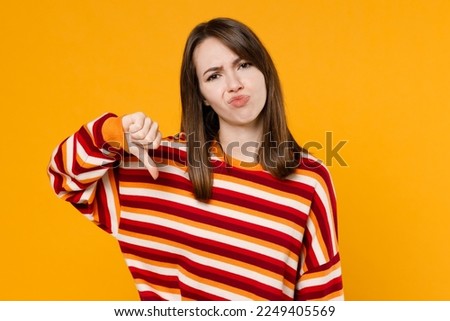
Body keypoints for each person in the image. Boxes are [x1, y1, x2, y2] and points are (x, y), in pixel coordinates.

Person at [48, 17, 344, 301]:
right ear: (201, 95)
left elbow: (321, 301)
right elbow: (63, 178)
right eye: (214, 75)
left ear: (264, 71)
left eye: (244, 64)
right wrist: (114, 132)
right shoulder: (157, 166)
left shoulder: (309, 180)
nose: (234, 83)